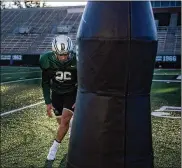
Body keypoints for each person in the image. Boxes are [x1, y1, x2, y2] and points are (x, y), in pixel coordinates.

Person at [39, 35, 77, 162]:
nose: (63, 57)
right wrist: (47, 102)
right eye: (60, 54)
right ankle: (70, 127)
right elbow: (45, 82)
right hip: (56, 94)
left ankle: (54, 147)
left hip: (71, 93)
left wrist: (79, 98)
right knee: (62, 124)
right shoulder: (46, 60)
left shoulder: (77, 59)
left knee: (64, 122)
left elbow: (84, 80)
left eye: (66, 54)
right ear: (54, 52)